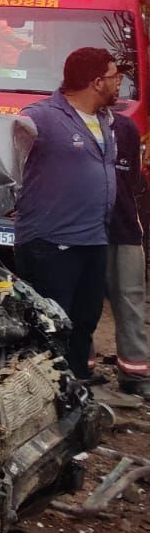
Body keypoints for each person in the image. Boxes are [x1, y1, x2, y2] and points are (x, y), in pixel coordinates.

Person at [13, 47, 120, 379]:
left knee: (85, 320)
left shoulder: (105, 119)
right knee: (50, 324)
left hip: (93, 237)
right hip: (50, 242)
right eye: (116, 78)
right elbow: (5, 156)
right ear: (97, 82)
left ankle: (77, 390)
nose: (120, 85)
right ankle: (45, 393)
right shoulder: (41, 117)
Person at [107, 111, 150, 397]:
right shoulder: (61, 123)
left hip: (123, 227)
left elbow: (134, 178)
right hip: (80, 229)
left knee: (131, 296)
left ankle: (135, 371)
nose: (115, 85)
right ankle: (81, 371)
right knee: (83, 302)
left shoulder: (125, 127)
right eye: (111, 78)